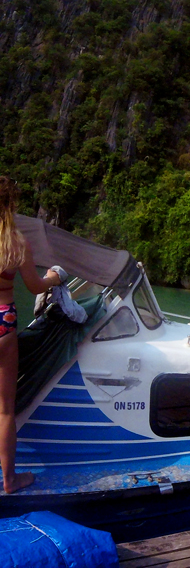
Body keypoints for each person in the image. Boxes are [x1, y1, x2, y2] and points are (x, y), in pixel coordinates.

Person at [0, 177, 63, 494]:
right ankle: (10, 479)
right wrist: (52, 277)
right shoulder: (15, 242)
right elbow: (35, 287)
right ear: (10, 206)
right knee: (5, 409)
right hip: (3, 320)